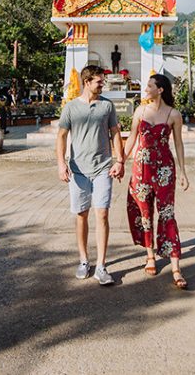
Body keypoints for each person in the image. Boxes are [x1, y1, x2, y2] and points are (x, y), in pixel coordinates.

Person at [56, 64, 125, 285]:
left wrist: (120, 160)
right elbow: (62, 136)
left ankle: (102, 266)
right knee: (81, 215)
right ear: (87, 82)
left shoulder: (107, 106)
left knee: (102, 214)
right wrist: (61, 163)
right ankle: (84, 260)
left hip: (103, 167)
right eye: (99, 81)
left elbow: (115, 133)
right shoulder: (71, 108)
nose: (102, 84)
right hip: (78, 170)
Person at [123, 73, 190, 289]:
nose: (146, 89)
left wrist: (183, 171)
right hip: (141, 168)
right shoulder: (140, 111)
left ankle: (176, 266)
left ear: (160, 89)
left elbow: (178, 144)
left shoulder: (173, 114)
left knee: (167, 213)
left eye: (150, 85)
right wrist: (120, 160)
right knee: (144, 213)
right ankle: (150, 255)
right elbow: (132, 137)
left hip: (164, 170)